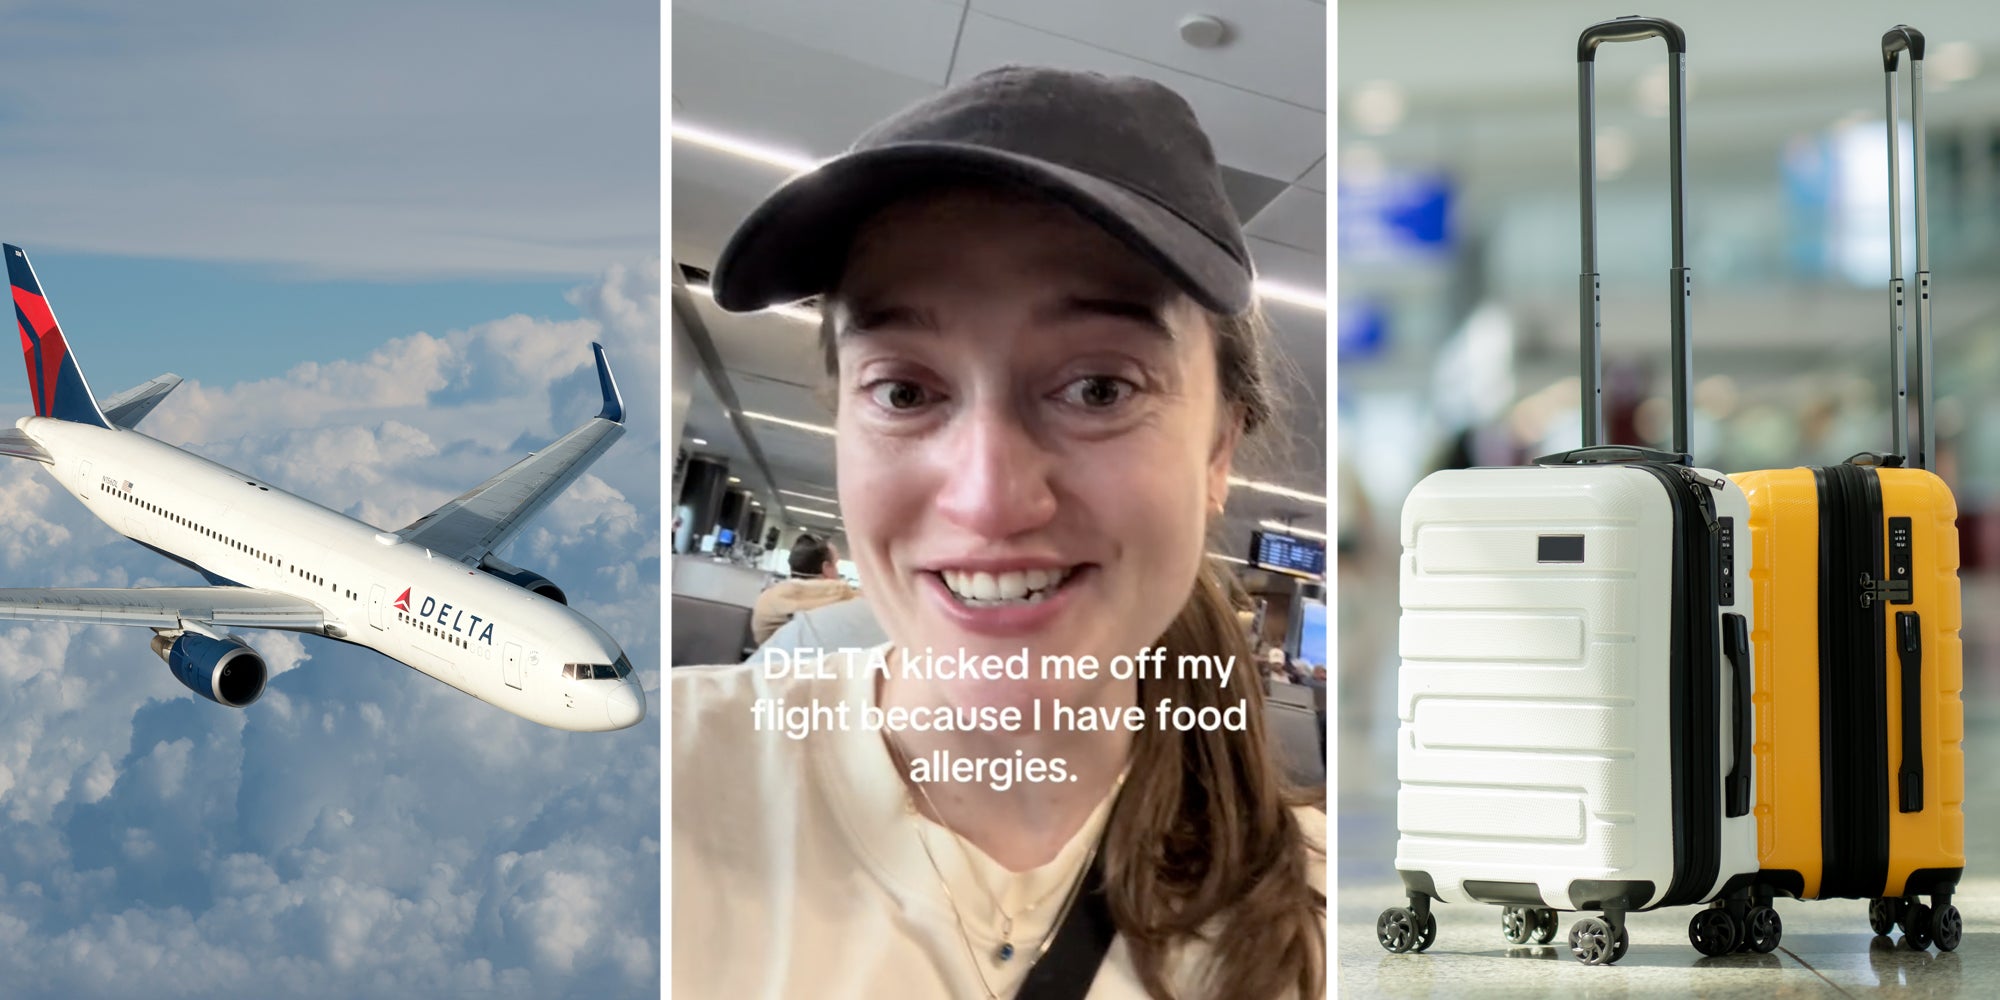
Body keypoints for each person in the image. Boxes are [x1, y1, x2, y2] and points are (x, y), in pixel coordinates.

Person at [673, 65, 1325, 1000]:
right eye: (905, 391)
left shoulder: (1322, 923)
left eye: (1100, 388)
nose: (986, 501)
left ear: (1220, 450)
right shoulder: (655, 788)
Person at [749, 534, 860, 644]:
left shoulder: (767, 598)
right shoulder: (840, 595)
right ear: (826, 568)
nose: (837, 571)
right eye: (836, 565)